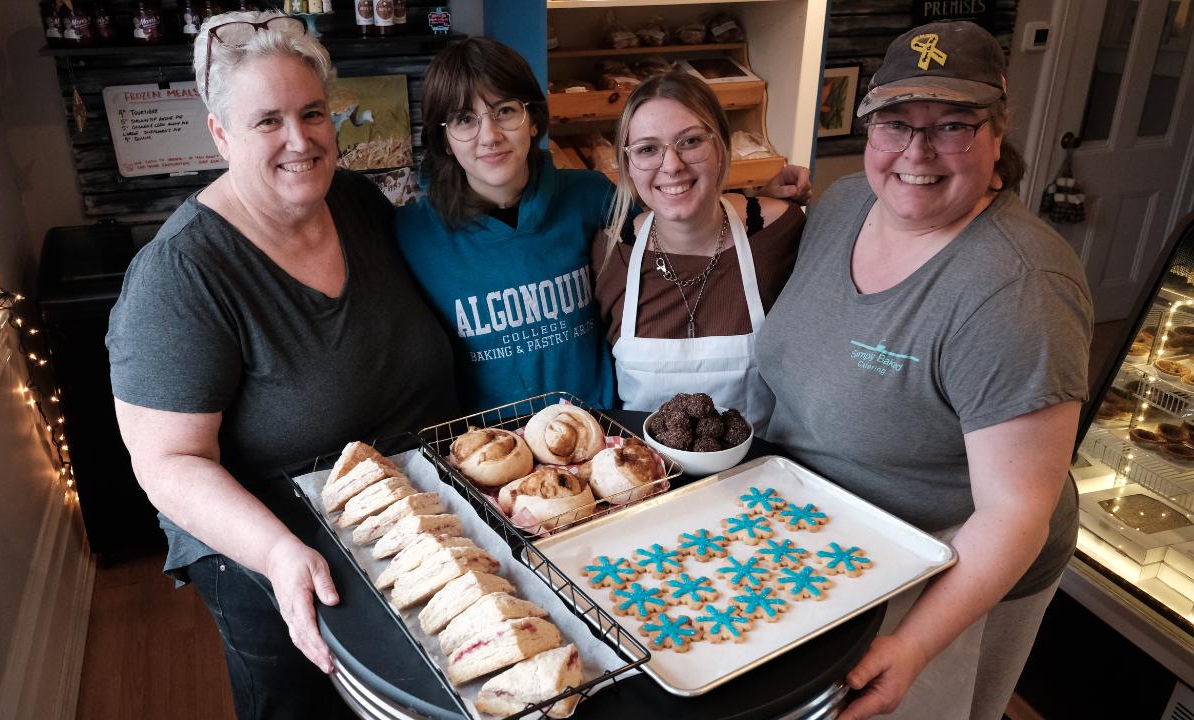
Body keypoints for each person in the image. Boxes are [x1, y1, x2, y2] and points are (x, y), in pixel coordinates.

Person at [105, 11, 456, 719]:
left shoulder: (354, 201)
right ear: (221, 134)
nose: (300, 141)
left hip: (415, 516)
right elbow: (168, 463)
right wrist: (276, 554)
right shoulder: (180, 276)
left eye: (313, 113)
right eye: (268, 121)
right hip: (276, 548)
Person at [756, 22, 1091, 720]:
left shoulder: (1017, 287)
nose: (916, 151)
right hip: (821, 534)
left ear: (999, 134)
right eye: (895, 124)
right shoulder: (847, 202)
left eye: (952, 126)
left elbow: (1014, 510)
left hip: (946, 566)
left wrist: (912, 645)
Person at [395, 37, 617, 413]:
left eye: (505, 111)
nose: (490, 136)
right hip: (491, 455)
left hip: (605, 434)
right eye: (465, 119)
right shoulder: (411, 234)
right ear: (444, 140)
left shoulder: (593, 198)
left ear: (533, 121)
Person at [593, 72, 806, 432]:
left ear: (721, 146)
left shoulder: (780, 234)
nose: (672, 165)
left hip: (757, 480)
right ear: (627, 165)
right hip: (643, 479)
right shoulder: (613, 251)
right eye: (647, 149)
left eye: (690, 141)